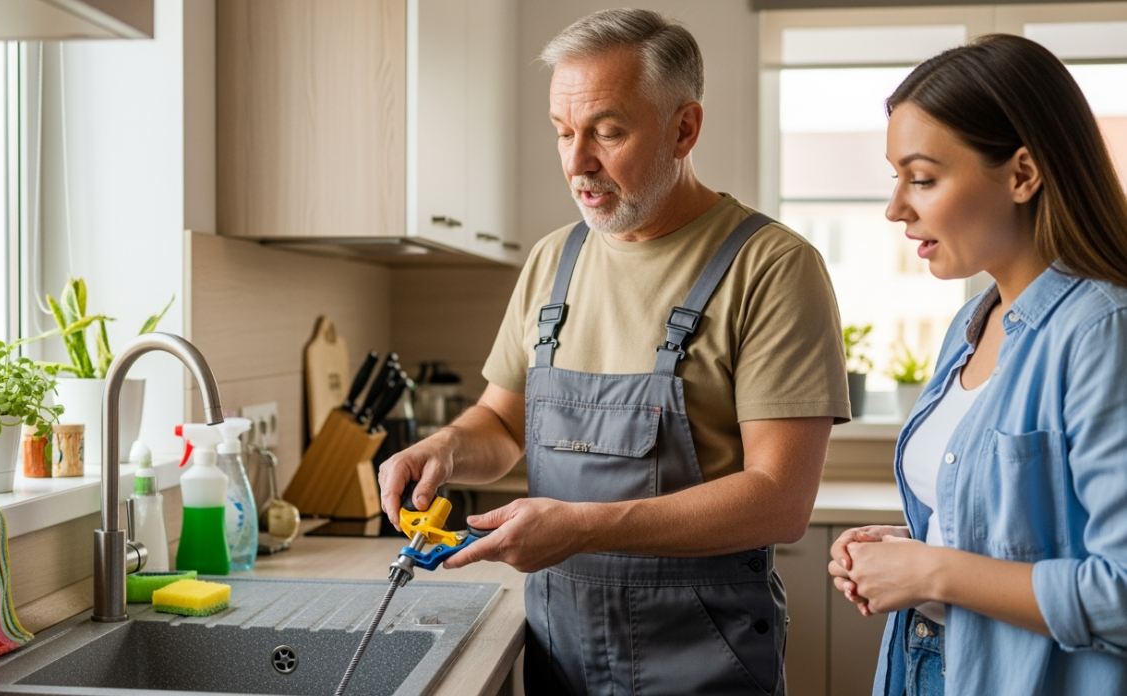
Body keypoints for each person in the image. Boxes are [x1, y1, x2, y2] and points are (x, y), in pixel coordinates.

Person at [379, 9, 849, 695]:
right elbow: (503, 424)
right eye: (564, 133)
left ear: (685, 128)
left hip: (704, 660)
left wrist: (582, 528)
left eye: (607, 131)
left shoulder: (771, 266)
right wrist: (444, 449)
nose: (577, 163)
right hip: (558, 651)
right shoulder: (553, 261)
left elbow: (779, 500)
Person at [828, 34, 1127, 696]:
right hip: (928, 665)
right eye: (896, 177)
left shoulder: (1102, 333)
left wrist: (934, 570)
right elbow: (1033, 527)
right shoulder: (973, 326)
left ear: (1022, 174)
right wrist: (912, 545)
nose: (896, 208)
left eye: (923, 178)